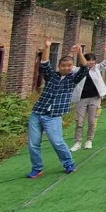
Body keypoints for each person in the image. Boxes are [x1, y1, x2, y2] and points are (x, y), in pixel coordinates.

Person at [27, 39, 86, 178]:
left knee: (57, 141)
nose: (66, 68)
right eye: (63, 65)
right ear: (59, 66)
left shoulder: (73, 79)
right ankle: (37, 168)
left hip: (54, 115)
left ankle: (68, 163)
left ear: (72, 67)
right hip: (38, 112)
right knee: (33, 143)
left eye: (69, 65)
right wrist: (47, 47)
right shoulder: (52, 76)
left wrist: (80, 53)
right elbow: (45, 64)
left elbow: (84, 69)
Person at [70, 45, 106, 151]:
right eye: (89, 61)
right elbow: (68, 65)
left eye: (93, 61)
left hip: (95, 98)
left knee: (92, 121)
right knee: (79, 121)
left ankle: (89, 140)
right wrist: (73, 53)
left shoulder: (97, 68)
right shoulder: (77, 70)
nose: (91, 63)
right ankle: (78, 142)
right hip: (81, 99)